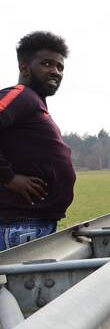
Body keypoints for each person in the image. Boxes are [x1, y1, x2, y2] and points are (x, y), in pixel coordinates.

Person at [0, 32, 75, 251]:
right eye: (47, 64)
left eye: (60, 67)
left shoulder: (34, 103)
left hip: (33, 224)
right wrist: (9, 177)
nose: (55, 71)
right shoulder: (21, 94)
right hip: (20, 227)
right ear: (24, 68)